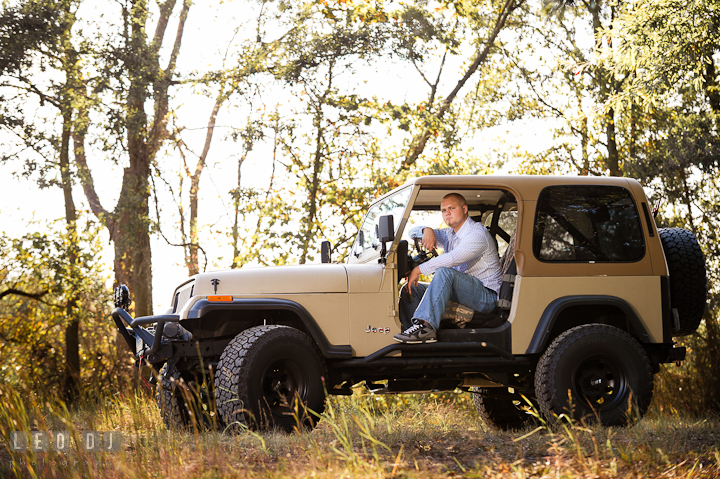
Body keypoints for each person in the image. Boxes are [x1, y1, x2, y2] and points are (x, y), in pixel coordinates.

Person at [394, 193, 502, 343]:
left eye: (452, 208)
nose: (447, 213)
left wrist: (418, 270)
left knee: (445, 272)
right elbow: (412, 232)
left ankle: (426, 327)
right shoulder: (449, 234)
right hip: (463, 292)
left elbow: (452, 259)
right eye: (444, 210)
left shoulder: (477, 234)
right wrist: (426, 230)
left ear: (465, 209)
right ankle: (410, 332)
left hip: (486, 297)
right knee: (411, 289)